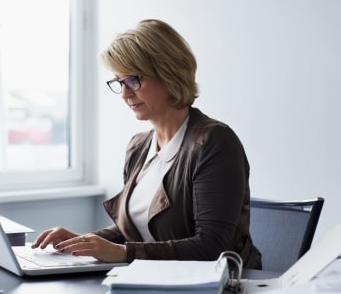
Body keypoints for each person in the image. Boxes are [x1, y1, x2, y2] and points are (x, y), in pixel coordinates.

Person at [32, 19, 262, 269]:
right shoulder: (138, 146)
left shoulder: (214, 142)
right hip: (155, 281)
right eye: (119, 82)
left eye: (133, 80)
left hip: (210, 292)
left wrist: (122, 253)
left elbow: (211, 246)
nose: (125, 94)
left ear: (169, 74)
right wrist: (82, 242)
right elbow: (134, 231)